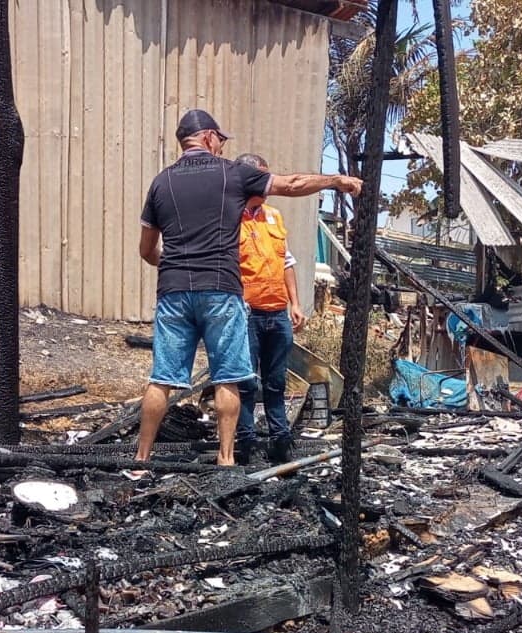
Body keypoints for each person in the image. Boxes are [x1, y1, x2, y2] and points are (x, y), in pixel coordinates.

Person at [137, 109, 361, 466]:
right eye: (221, 140)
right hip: (221, 291)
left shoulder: (160, 183)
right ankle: (226, 460)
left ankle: (140, 460)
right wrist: (335, 180)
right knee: (227, 376)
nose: (222, 147)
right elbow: (291, 184)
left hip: (174, 292)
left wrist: (176, 266)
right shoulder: (232, 175)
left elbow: (147, 250)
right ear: (208, 137)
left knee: (162, 379)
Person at [234, 152, 306, 465]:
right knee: (247, 381)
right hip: (247, 313)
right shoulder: (230, 217)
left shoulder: (273, 216)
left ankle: (280, 439)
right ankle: (246, 441)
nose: (266, 184)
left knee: (276, 381)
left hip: (277, 313)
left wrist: (296, 303)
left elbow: (286, 262)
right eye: (261, 177)